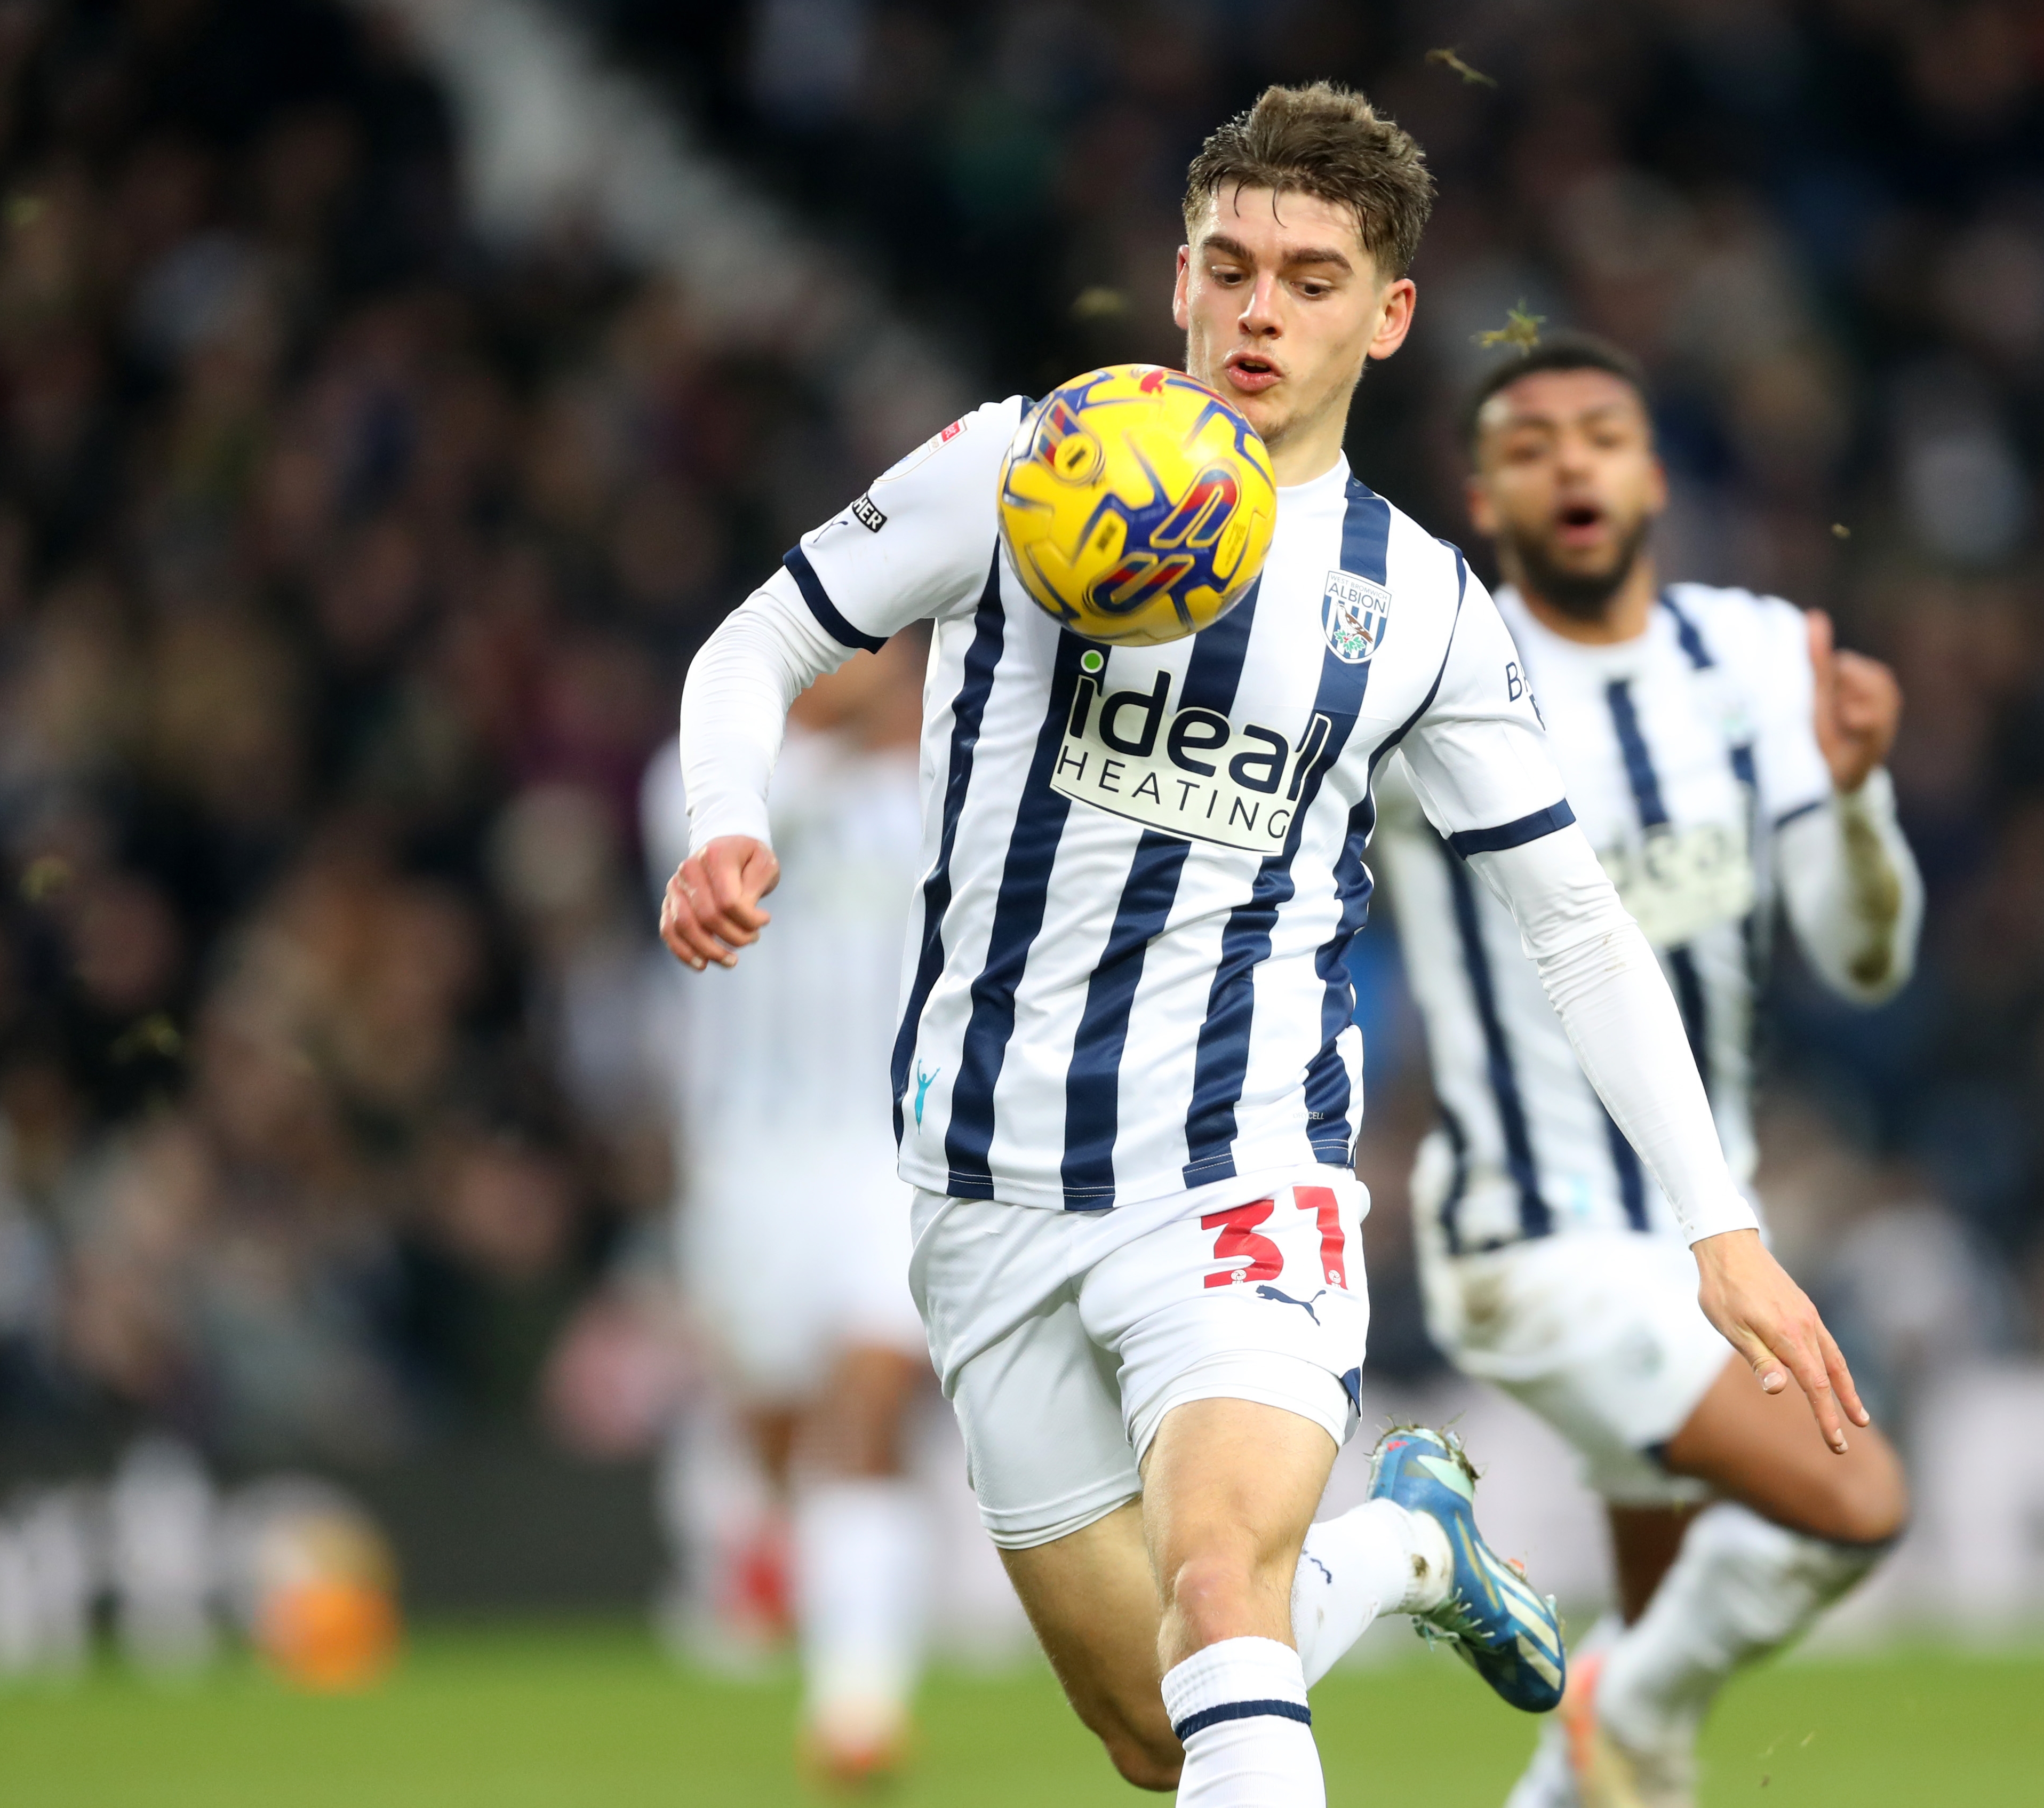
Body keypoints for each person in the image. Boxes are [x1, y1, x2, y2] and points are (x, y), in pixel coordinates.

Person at [659, 85, 1870, 1808]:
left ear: (1383, 318)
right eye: (1228, 267)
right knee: (1154, 1731)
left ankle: (1349, 1557)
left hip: (1240, 1171)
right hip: (982, 1176)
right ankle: (1408, 1553)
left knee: (1218, 1584)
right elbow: (752, 648)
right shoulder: (1022, 469)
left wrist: (1719, 1231)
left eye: (1309, 279)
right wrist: (729, 814)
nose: (1257, 310)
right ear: (1174, 282)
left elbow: (1574, 923)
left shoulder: (1421, 606)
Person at [1382, 334, 1921, 1808]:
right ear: (1481, 498)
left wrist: (1860, 797)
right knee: (1851, 1493)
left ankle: (1609, 1729)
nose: (1569, 459)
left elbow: (1861, 953)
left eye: (1601, 431)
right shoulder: (1431, 666)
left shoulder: (1749, 655)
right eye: (1528, 440)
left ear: (1652, 474)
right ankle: (1596, 1688)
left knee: (1640, 1720)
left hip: (1700, 1233)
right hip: (1530, 1236)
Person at [640, 635, 934, 1786]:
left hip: (882, 1151)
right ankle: (756, 1542)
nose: (876, 672)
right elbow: (715, 850)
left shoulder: (933, 789)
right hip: (744, 1159)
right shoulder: (698, 778)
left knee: (865, 1404)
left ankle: (857, 1708)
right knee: (772, 1426)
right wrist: (844, 726)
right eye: (848, 650)